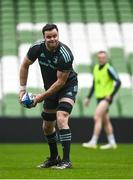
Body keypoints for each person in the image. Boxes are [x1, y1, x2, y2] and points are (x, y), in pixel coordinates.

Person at [19, 24, 78, 169]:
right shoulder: (37, 48)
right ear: (44, 37)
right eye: (49, 37)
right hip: (50, 89)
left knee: (61, 117)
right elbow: (25, 65)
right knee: (47, 126)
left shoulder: (65, 54)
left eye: (55, 36)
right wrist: (22, 90)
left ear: (58, 35)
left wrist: (39, 98)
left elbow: (60, 82)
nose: (52, 39)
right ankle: (54, 158)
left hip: (66, 86)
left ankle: (66, 161)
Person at [82, 51, 121, 149]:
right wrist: (88, 97)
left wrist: (111, 95)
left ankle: (93, 142)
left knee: (96, 116)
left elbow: (119, 82)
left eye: (103, 57)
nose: (101, 59)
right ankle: (112, 143)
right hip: (99, 98)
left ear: (106, 58)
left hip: (106, 98)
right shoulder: (95, 68)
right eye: (100, 58)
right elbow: (94, 84)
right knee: (106, 120)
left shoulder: (109, 68)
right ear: (97, 58)